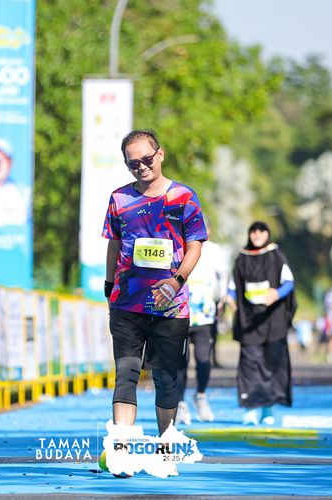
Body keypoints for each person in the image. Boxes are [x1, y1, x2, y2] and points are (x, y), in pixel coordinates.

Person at [103, 129, 207, 443]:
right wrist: (109, 285)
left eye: (146, 159)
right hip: (127, 303)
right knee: (126, 374)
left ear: (160, 154)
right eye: (133, 163)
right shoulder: (119, 199)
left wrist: (177, 281)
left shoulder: (184, 197)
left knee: (166, 379)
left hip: (170, 307)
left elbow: (195, 246)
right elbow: (114, 244)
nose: (141, 167)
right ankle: (121, 446)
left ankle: (166, 442)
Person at [228, 221, 295, 426]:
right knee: (249, 365)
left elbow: (289, 282)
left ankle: (267, 409)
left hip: (273, 321)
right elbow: (233, 286)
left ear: (267, 234)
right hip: (249, 321)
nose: (257, 234)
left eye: (261, 231)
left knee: (271, 363)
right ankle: (250, 409)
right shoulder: (242, 258)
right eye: (253, 231)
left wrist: (277, 294)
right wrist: (230, 297)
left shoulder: (276, 255)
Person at [175, 239, 227, 425]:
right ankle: (180, 403)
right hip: (180, 313)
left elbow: (222, 276)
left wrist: (221, 299)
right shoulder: (177, 244)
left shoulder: (214, 250)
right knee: (181, 362)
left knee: (203, 359)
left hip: (205, 315)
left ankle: (201, 396)